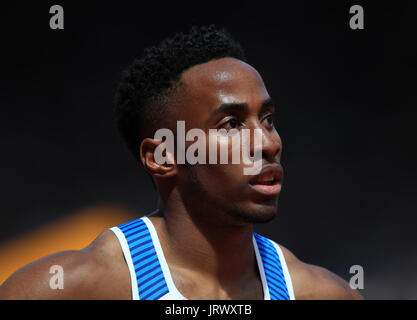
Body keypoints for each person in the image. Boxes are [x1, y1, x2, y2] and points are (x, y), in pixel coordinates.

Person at [0, 25, 363, 300]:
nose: (268, 143)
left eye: (267, 119)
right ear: (162, 156)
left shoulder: (324, 294)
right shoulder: (69, 288)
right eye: (232, 124)